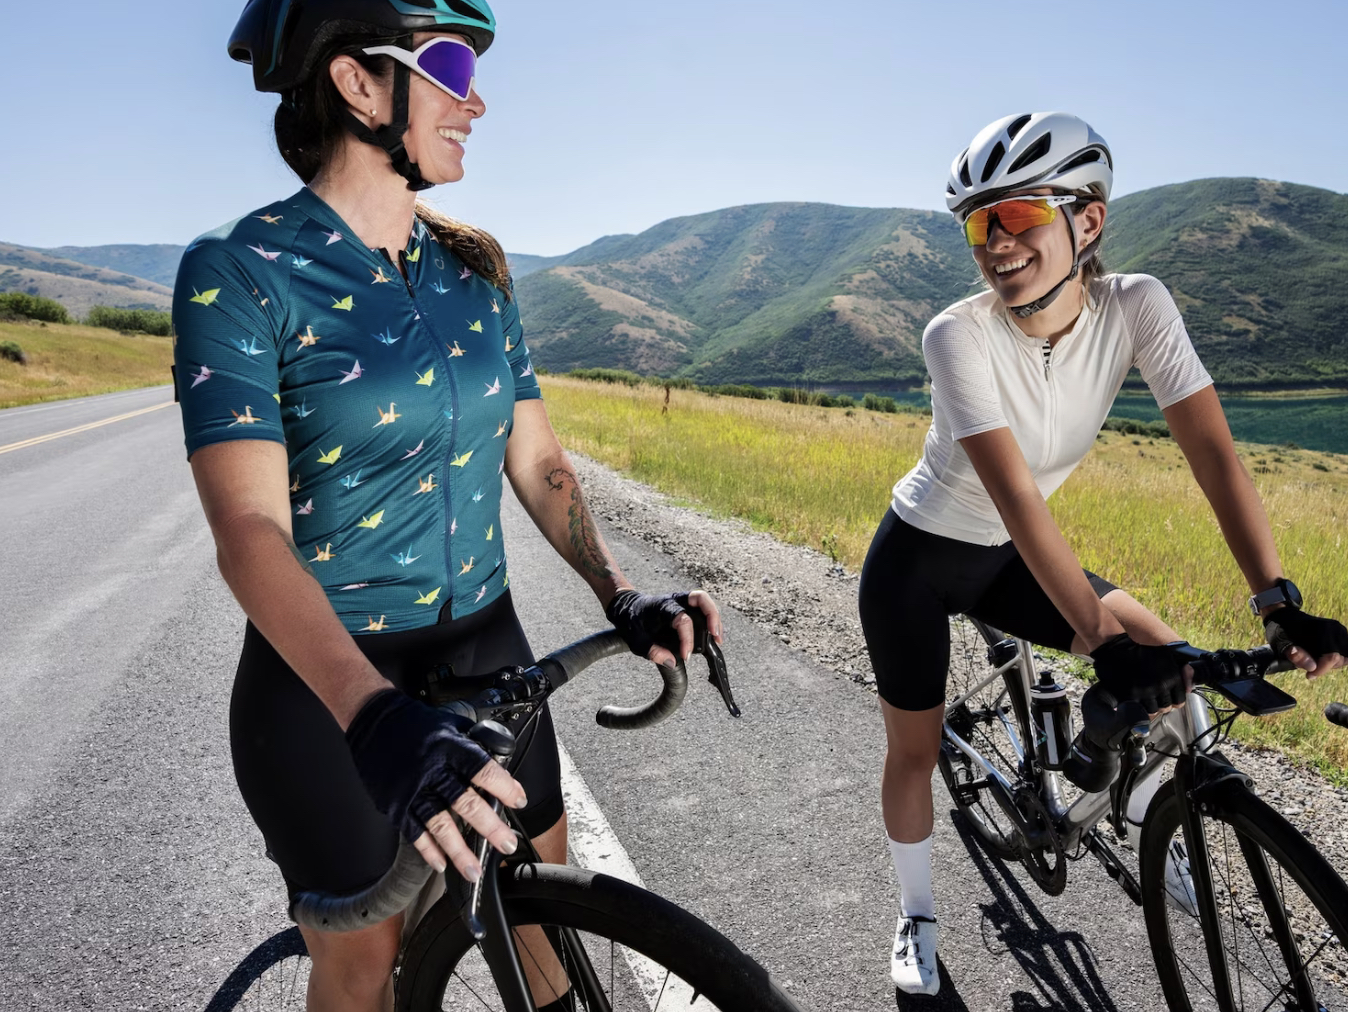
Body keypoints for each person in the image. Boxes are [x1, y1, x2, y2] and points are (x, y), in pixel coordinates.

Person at [173, 2, 724, 1009]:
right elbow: (249, 533)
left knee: (543, 923)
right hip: (330, 688)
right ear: (355, 81)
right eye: (448, 64)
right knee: (362, 964)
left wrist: (621, 591)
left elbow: (540, 462)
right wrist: (373, 717)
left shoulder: (476, 271)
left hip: (487, 648)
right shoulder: (240, 272)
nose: (475, 98)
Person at [858, 111, 1348, 996]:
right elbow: (1013, 495)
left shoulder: (1136, 305)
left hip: (1010, 558)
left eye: (1017, 217)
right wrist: (1099, 640)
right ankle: (917, 915)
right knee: (916, 752)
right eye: (978, 224)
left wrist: (1275, 597)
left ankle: (1149, 814)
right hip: (920, 564)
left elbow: (1215, 458)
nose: (995, 244)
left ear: (1088, 220)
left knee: (1171, 662)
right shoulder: (955, 335)